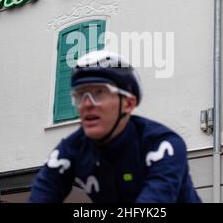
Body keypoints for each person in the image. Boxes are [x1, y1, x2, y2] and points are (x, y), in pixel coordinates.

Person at [29, 51, 202, 203]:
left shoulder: (163, 143)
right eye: (81, 95)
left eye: (99, 93)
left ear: (128, 103)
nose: (87, 104)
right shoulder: (71, 149)